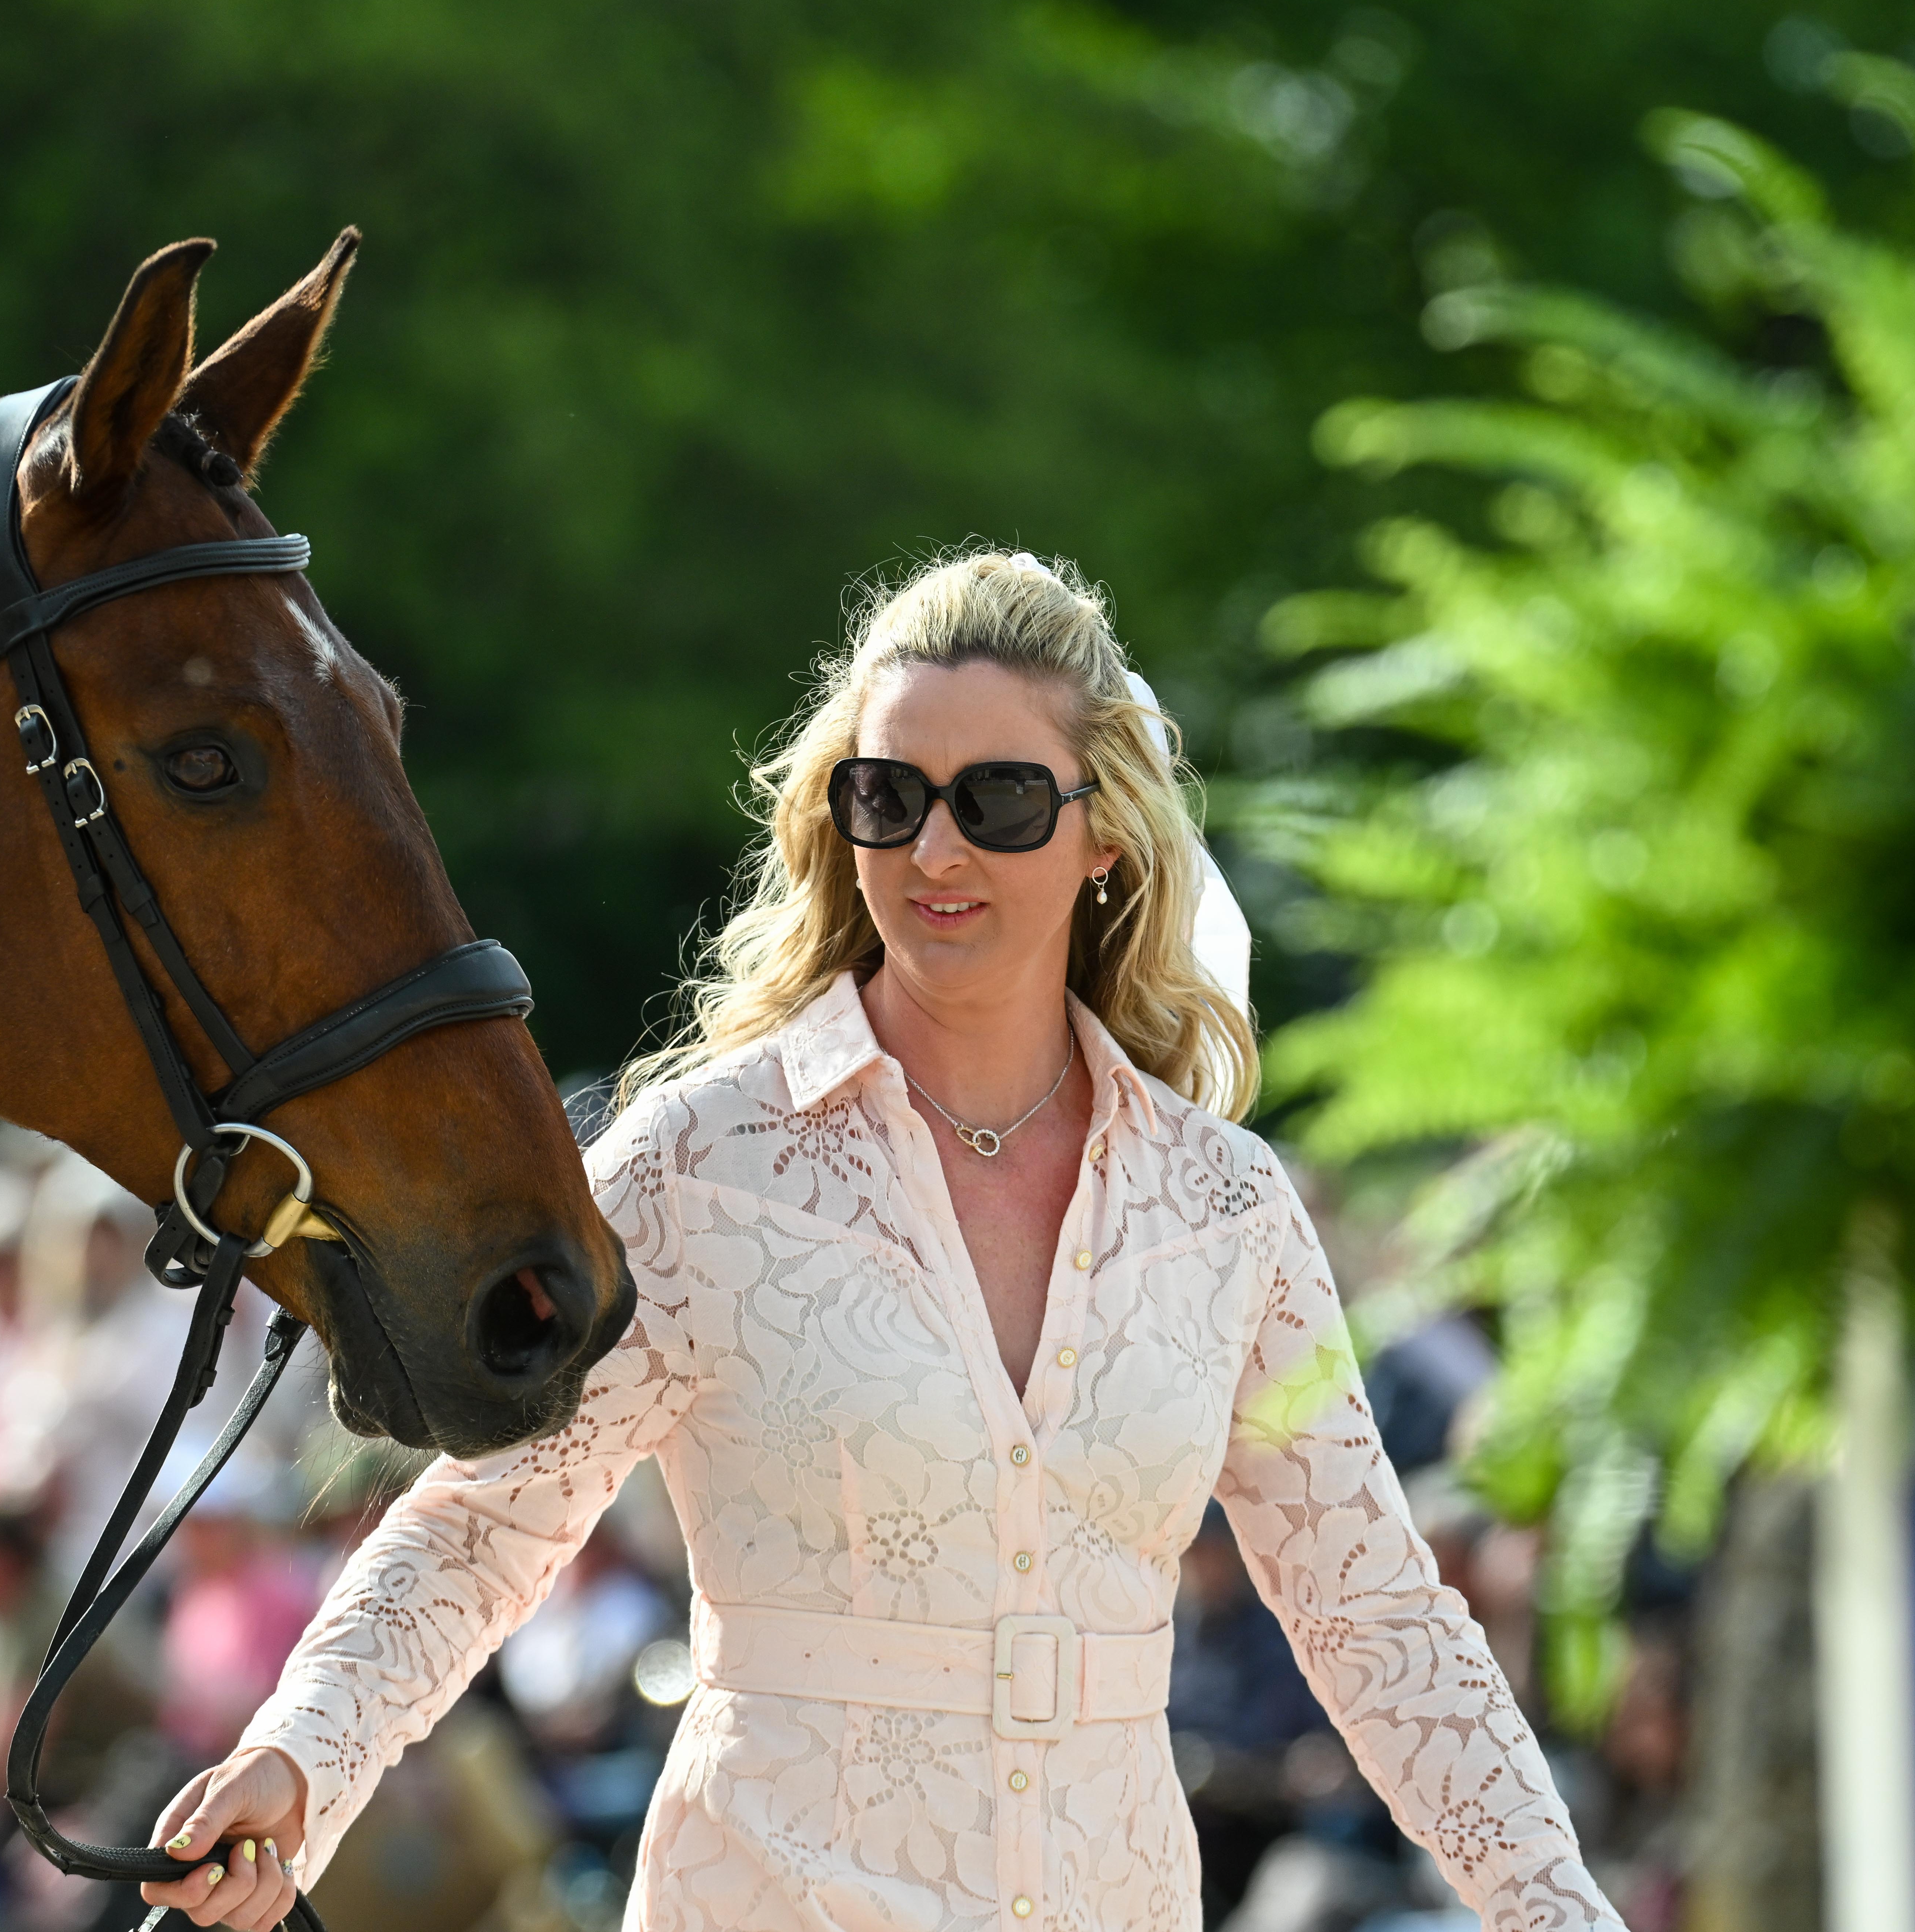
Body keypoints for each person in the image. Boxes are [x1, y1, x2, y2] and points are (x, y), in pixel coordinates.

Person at [139, 550, 1622, 1930]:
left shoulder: (1225, 1209)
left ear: (1103, 831)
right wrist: (304, 1761)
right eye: (888, 797)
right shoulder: (703, 1165)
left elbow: (1375, 1612)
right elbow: (482, 1528)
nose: (936, 847)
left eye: (999, 801)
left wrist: (1556, 1907)